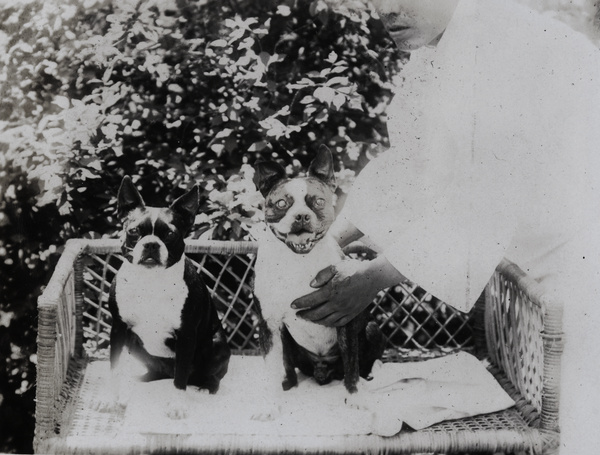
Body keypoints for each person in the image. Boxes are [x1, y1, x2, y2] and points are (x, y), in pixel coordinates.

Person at [291, 1, 600, 453]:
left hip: (576, 264)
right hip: (525, 267)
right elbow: (413, 166)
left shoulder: (511, 43)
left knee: (576, 424)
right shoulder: (436, 47)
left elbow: (492, 189)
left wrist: (374, 277)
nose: (387, 11)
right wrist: (328, 238)